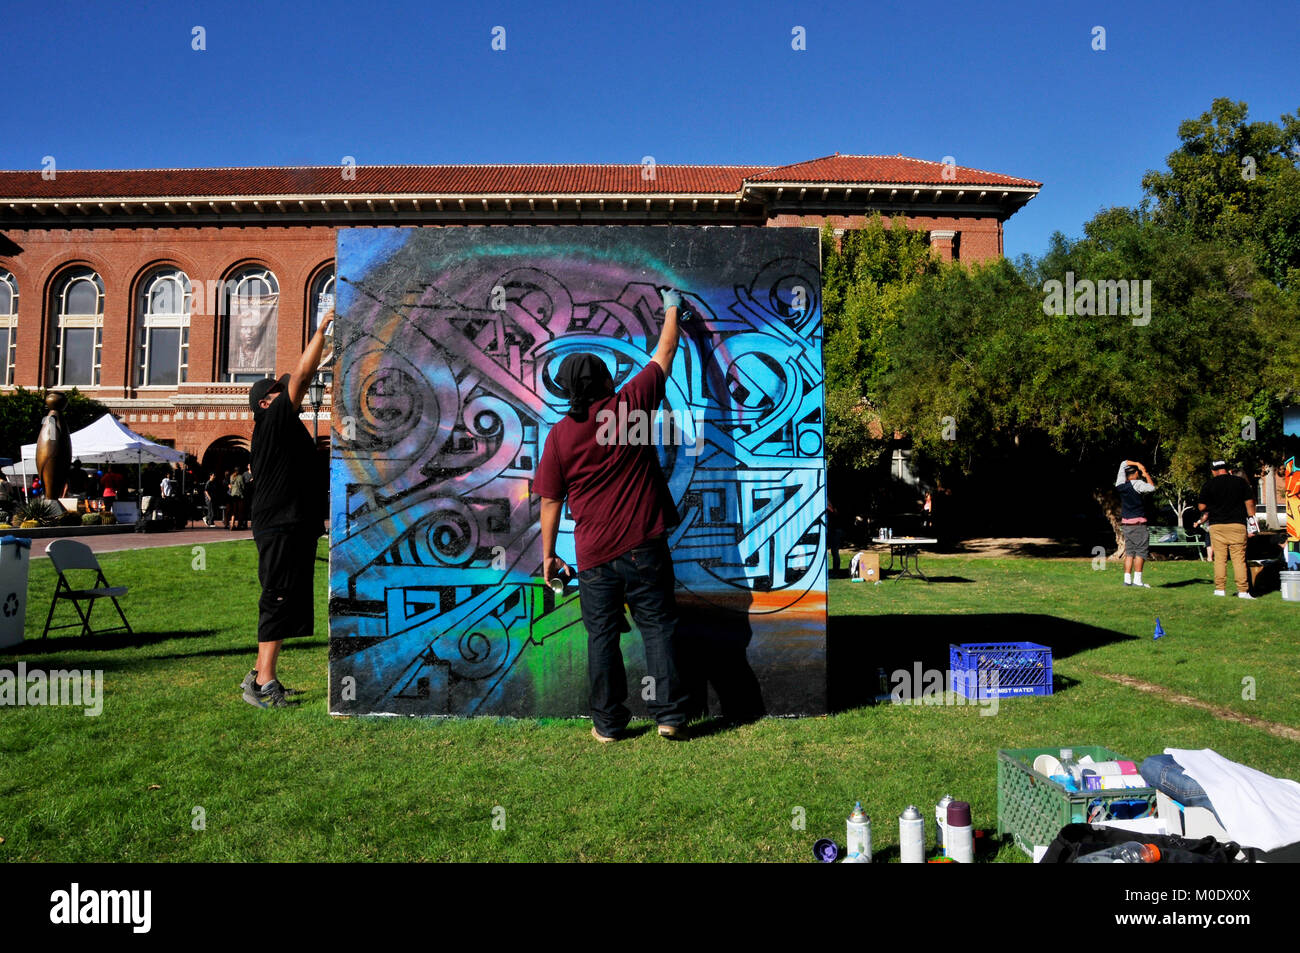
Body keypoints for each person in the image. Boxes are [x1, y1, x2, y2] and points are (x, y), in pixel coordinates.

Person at [534, 287, 691, 743]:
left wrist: (548, 557)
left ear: (566, 391)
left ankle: (607, 724)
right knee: (658, 627)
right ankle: (670, 717)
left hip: (594, 555)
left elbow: (550, 501)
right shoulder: (629, 405)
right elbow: (665, 350)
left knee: (602, 637)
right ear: (606, 381)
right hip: (644, 543)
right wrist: (672, 305)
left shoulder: (560, 437)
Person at [239, 311, 333, 708]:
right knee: (277, 597)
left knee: (285, 597)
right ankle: (264, 683)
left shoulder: (284, 429)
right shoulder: (273, 420)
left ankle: (260, 674)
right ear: (265, 402)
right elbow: (302, 376)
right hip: (280, 525)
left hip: (291, 525)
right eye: (277, 392)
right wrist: (321, 329)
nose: (285, 393)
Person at [1197, 460, 1257, 599]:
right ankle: (1243, 591)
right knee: (1239, 559)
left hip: (1217, 526)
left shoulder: (1208, 484)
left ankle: (1220, 589)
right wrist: (1252, 521)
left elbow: (1201, 507)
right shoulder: (1240, 483)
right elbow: (1249, 503)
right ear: (1227, 469)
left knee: (1220, 559)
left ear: (1213, 471)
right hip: (1237, 524)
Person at [1115, 459, 1157, 588]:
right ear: (1136, 474)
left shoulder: (1120, 484)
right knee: (1140, 552)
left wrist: (1137, 464)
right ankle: (1138, 581)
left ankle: (1127, 580)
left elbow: (1123, 463)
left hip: (1126, 525)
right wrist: (1146, 473)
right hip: (1138, 524)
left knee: (1129, 553)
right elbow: (1152, 487)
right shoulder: (1138, 484)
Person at [228, 465, 248, 531]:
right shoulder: (240, 477)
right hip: (239, 495)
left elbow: (230, 485)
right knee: (240, 511)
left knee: (233, 511)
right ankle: (239, 525)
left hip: (232, 495)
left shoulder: (231, 476)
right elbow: (243, 486)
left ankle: (232, 524)